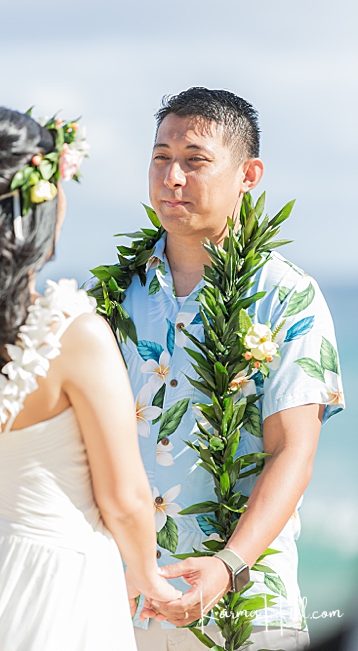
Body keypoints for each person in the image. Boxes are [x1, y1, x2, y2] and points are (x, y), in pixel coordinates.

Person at [0, 107, 180, 651]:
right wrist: (149, 577)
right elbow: (125, 500)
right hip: (55, 590)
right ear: (41, 209)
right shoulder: (73, 334)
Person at [107, 87, 346, 650]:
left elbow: (294, 451)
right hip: (121, 604)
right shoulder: (117, 296)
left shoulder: (287, 295)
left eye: (195, 161)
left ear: (248, 174)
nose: (172, 177)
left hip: (247, 605)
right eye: (161, 158)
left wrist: (227, 565)